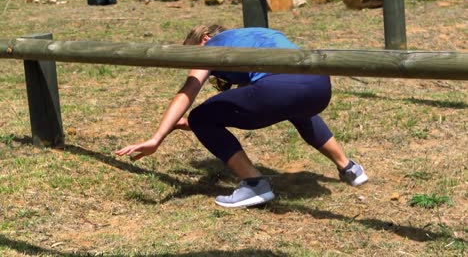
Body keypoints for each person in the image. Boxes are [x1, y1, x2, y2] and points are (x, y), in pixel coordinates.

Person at [116, 25, 368, 208]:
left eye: (190, 56)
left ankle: (254, 184)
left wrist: (157, 138)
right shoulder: (256, 35)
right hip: (320, 84)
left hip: (278, 87)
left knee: (202, 116)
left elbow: (188, 92)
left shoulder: (212, 47)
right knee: (297, 109)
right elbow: (251, 102)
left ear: (204, 38)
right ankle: (349, 168)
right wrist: (188, 124)